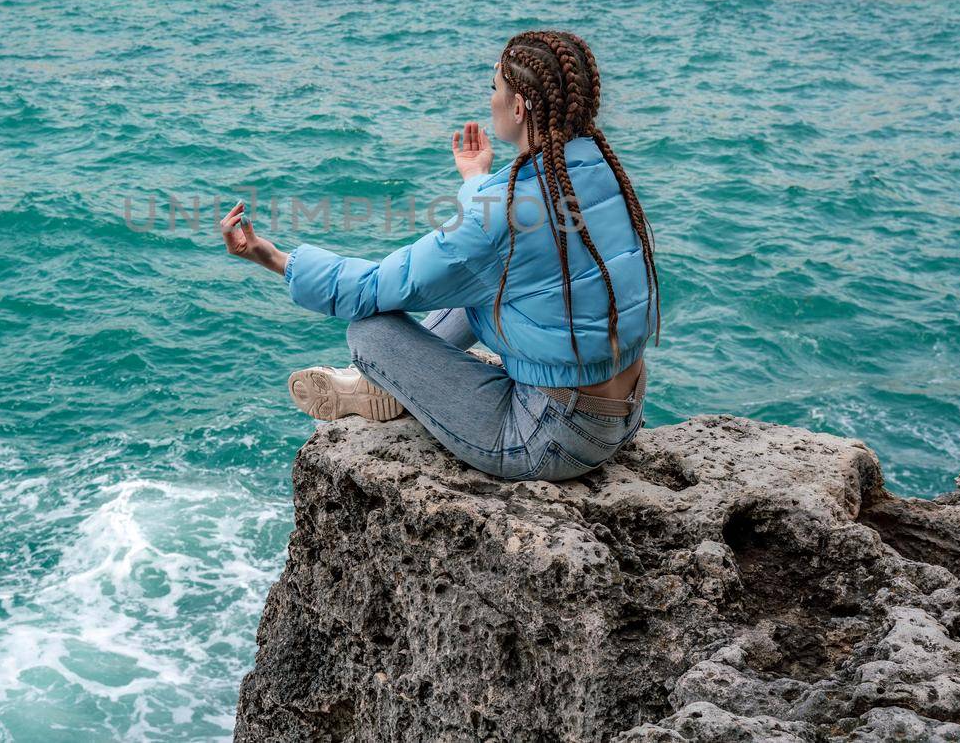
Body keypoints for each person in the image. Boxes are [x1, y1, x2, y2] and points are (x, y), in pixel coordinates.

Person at [219, 29, 661, 482]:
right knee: (482, 279)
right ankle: (386, 386)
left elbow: (377, 286)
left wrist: (273, 258)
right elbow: (505, 237)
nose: (489, 101)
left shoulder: (506, 213)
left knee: (370, 330)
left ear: (518, 106)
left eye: (495, 90)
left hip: (550, 438)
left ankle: (379, 380)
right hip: (622, 412)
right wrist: (474, 179)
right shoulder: (596, 171)